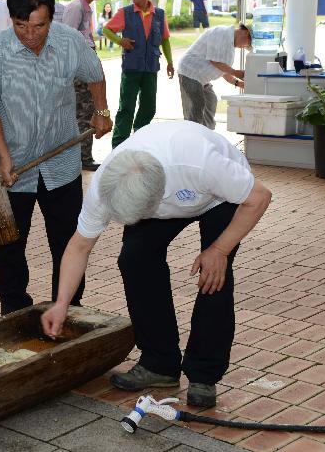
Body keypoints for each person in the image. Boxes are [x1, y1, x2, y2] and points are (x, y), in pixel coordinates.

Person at [41, 120, 272, 408]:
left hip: (219, 199)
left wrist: (220, 249)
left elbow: (260, 197)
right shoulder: (107, 184)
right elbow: (79, 246)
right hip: (158, 195)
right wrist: (61, 302)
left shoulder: (200, 163)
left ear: (155, 200)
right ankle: (159, 364)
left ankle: (204, 375)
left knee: (214, 275)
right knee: (134, 260)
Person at [0, 0, 112, 315]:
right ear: (11, 19)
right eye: (21, 26)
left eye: (39, 26)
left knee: (67, 243)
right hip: (11, 167)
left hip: (60, 164)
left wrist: (101, 111)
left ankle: (68, 309)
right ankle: (14, 313)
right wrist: (4, 159)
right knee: (8, 246)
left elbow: (95, 74)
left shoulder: (70, 41)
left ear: (51, 18)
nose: (30, 34)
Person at [102, 0, 175, 147]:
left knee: (149, 107)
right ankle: (119, 145)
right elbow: (107, 30)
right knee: (126, 107)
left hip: (151, 68)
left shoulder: (159, 14)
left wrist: (170, 62)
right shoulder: (125, 13)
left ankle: (139, 140)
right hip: (131, 68)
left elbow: (165, 39)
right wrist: (121, 41)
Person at [63, 0, 105, 171]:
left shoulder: (85, 8)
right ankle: (82, 157)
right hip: (78, 73)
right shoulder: (75, 8)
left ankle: (84, 156)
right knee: (83, 112)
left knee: (86, 112)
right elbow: (67, 42)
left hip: (85, 70)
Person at [178, 24, 252, 129]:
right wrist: (236, 72)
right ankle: (193, 136)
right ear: (245, 33)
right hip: (190, 72)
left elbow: (222, 69)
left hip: (201, 78)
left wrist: (238, 83)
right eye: (246, 45)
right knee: (196, 106)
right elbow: (215, 61)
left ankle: (207, 133)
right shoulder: (221, 33)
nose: (243, 47)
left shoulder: (229, 43)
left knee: (211, 100)